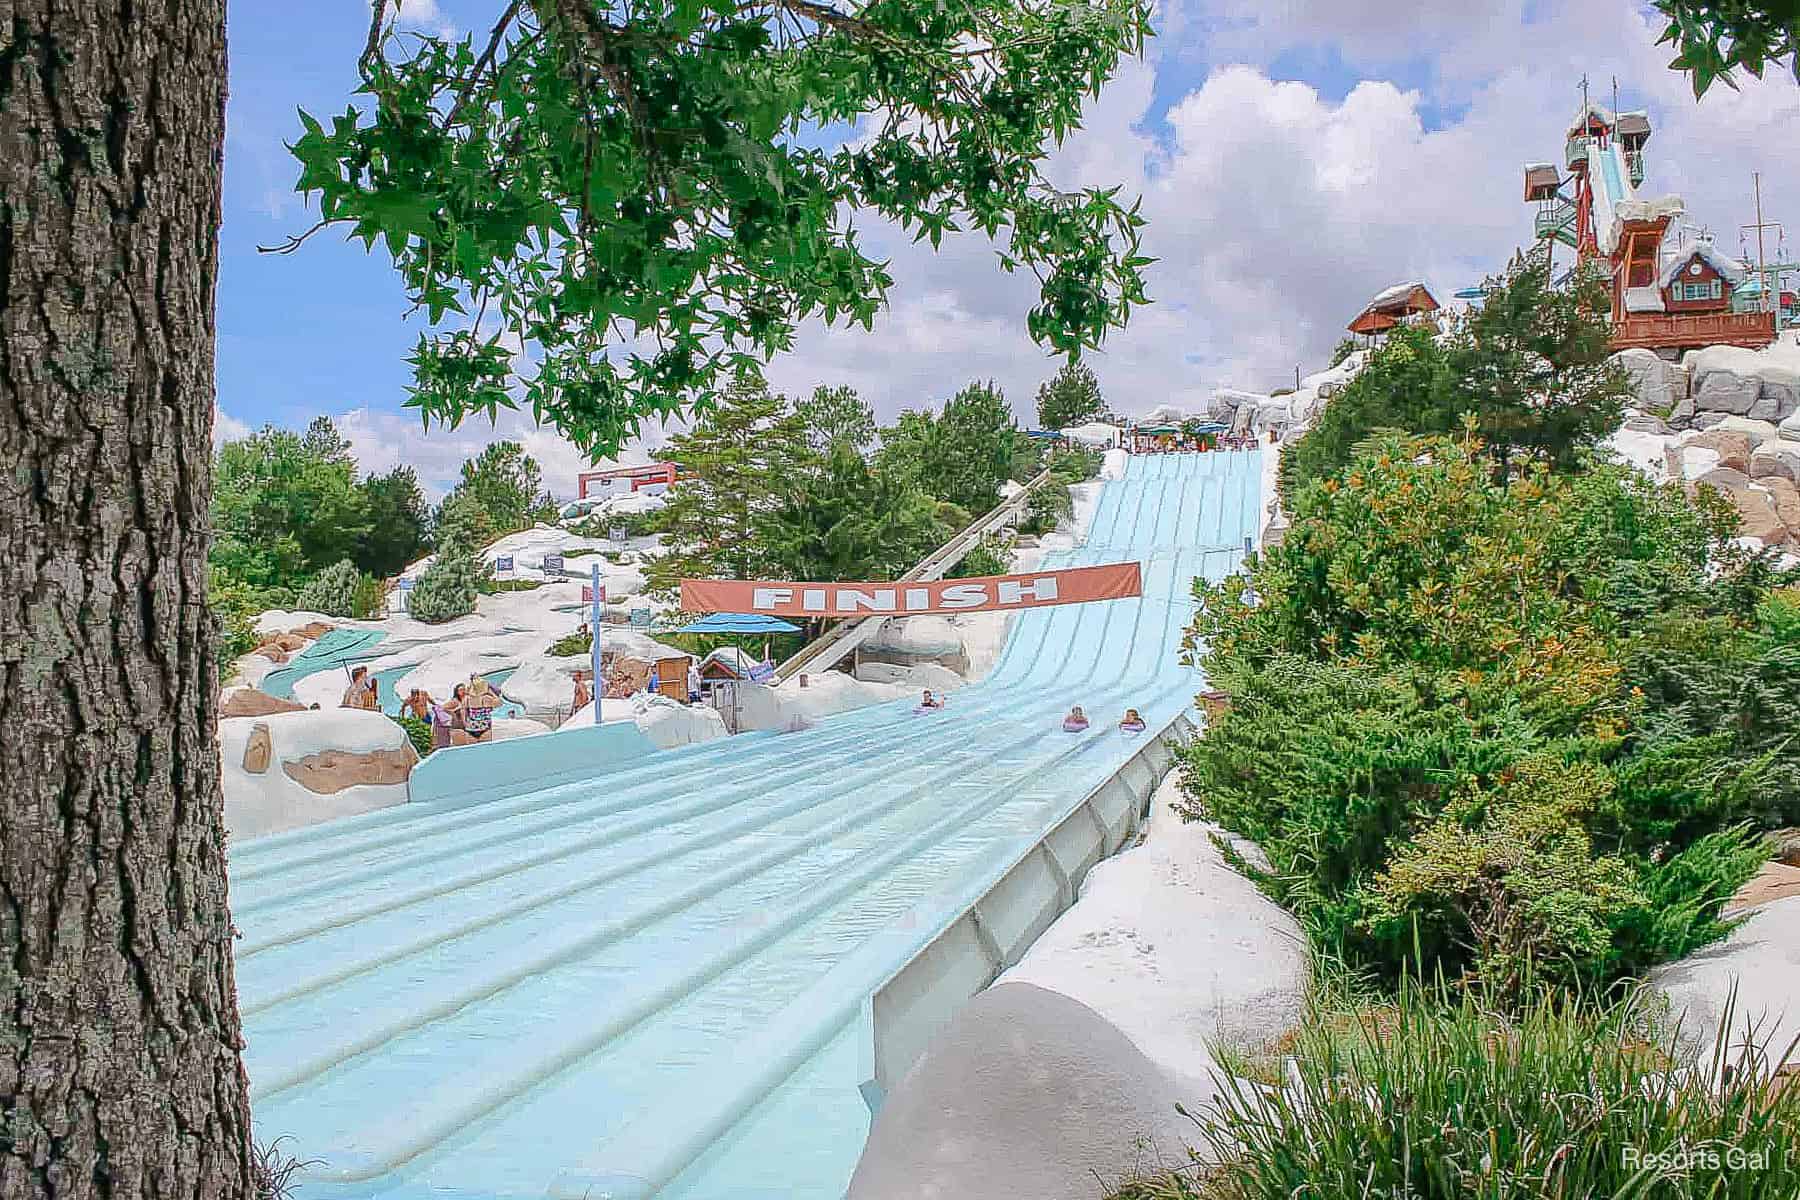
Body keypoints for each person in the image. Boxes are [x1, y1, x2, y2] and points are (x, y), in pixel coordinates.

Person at [461, 677, 498, 741]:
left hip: (470, 728)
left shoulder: (467, 698)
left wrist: (465, 723)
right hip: (484, 727)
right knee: (486, 749)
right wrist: (491, 692)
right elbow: (499, 703)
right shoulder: (486, 698)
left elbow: (463, 711)